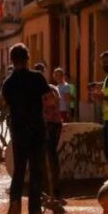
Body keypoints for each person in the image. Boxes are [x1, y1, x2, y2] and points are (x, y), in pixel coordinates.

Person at [2, 44, 51, 214]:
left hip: (19, 132)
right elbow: (48, 100)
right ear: (28, 58)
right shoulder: (37, 78)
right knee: (36, 174)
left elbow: (4, 104)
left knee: (19, 172)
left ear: (12, 60)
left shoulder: (8, 83)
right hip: (37, 131)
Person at [36, 63, 63, 198]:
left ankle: (54, 188)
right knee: (43, 155)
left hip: (52, 123)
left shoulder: (50, 88)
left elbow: (53, 103)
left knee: (51, 154)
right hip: (41, 124)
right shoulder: (35, 90)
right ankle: (46, 187)